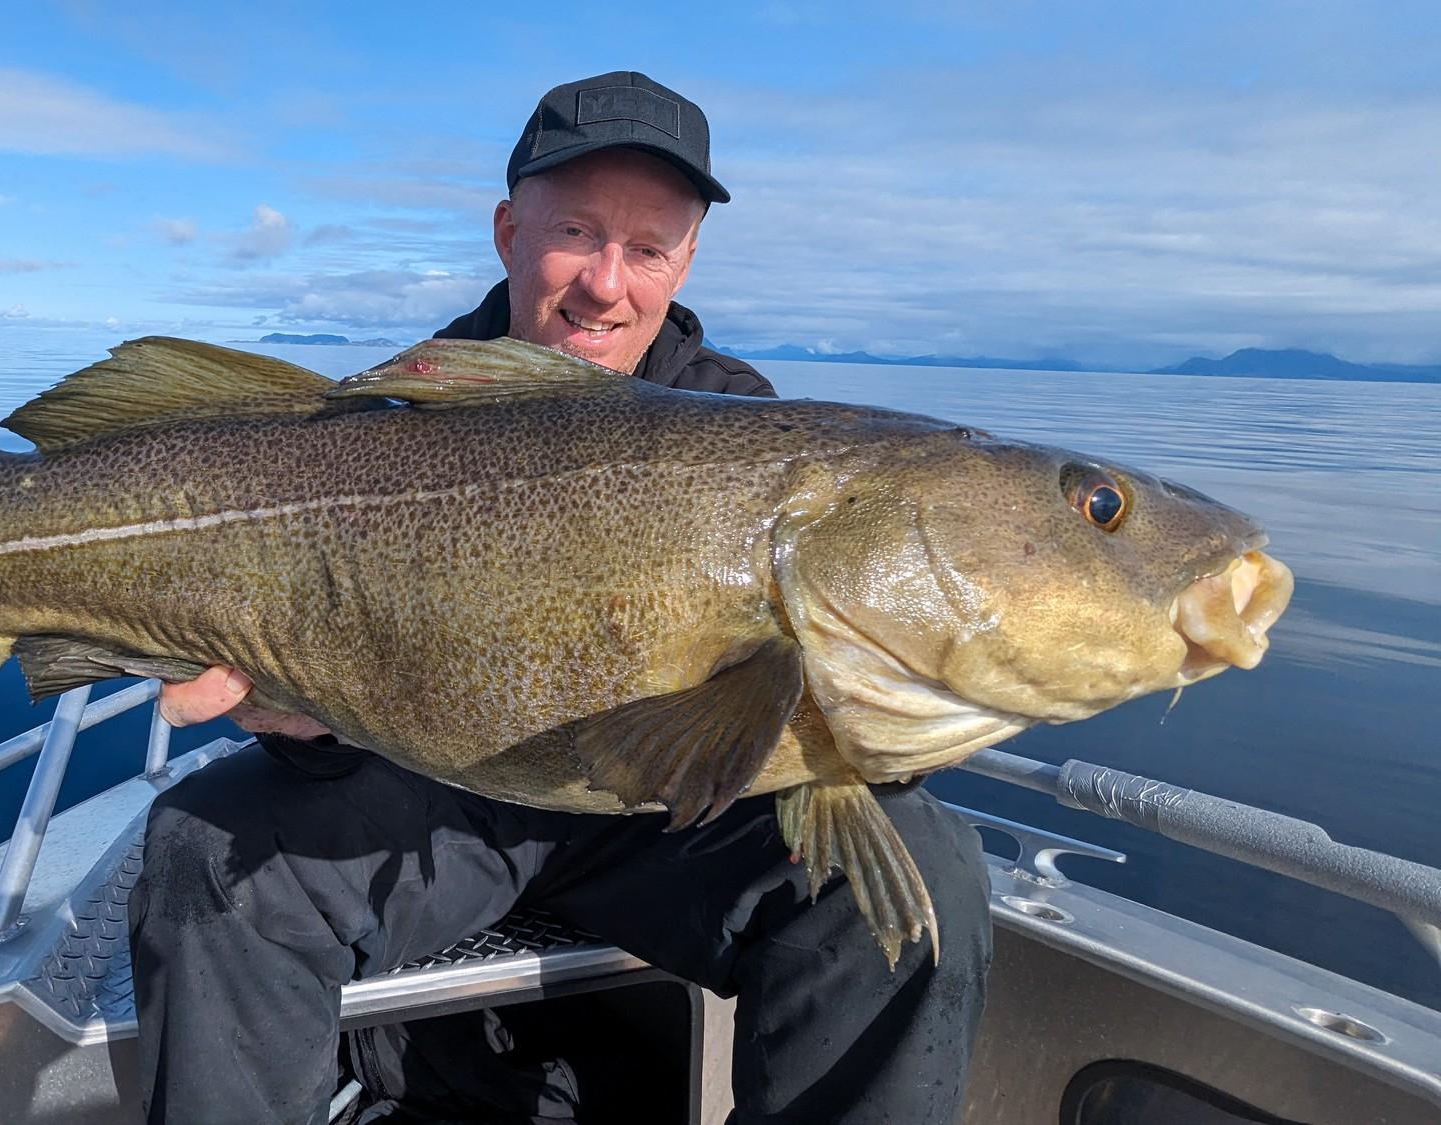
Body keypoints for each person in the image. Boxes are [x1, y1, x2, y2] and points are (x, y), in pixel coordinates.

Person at [131, 72, 992, 1124]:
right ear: (508, 232)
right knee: (204, 855)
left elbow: (816, 694)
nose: (605, 284)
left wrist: (925, 705)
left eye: (647, 248)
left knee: (921, 873)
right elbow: (326, 669)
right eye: (576, 233)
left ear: (685, 262)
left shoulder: (745, 427)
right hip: (434, 792)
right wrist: (305, 718)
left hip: (663, 811)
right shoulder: (399, 412)